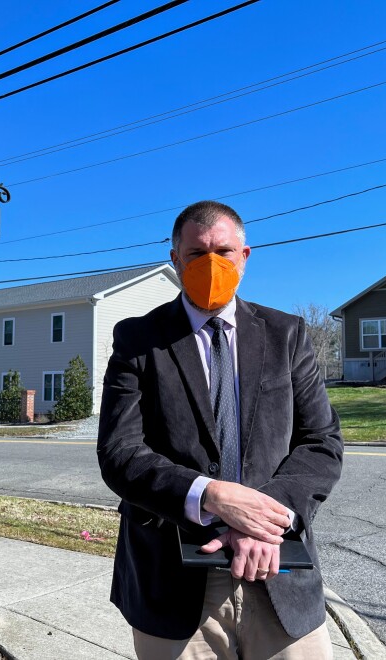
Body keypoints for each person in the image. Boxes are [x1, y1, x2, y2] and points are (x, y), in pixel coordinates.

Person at [97, 200, 344, 659]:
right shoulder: (137, 340)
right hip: (172, 583)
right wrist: (211, 496)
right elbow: (120, 452)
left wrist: (263, 521)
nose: (211, 265)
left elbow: (321, 442)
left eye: (224, 252)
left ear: (245, 257)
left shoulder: (285, 333)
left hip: (277, 570)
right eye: (195, 254)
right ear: (174, 258)